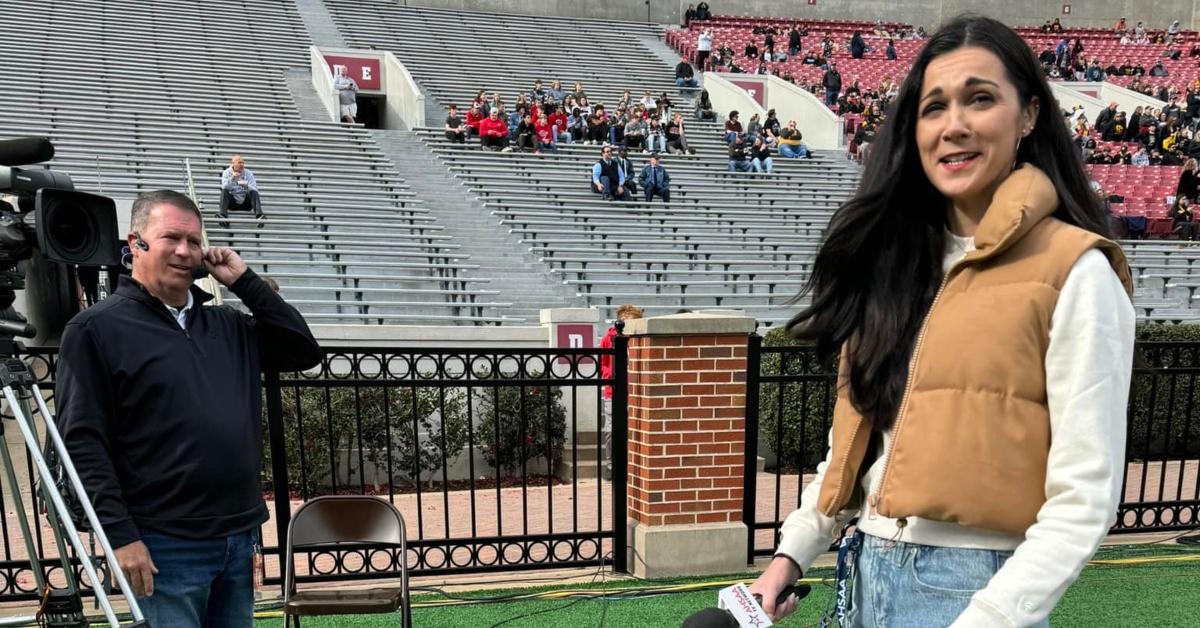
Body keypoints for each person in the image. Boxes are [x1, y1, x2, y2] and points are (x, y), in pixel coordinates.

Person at [750, 16, 1135, 627]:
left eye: (980, 99)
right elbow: (851, 452)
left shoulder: (1078, 272)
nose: (953, 125)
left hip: (973, 593)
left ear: (1029, 115)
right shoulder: (891, 268)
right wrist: (787, 559)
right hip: (864, 570)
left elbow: (1084, 498)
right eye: (934, 107)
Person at [56, 190, 321, 628]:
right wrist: (120, 537)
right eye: (170, 238)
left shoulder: (227, 323)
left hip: (238, 535)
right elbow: (82, 442)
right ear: (135, 243)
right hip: (163, 544)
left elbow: (303, 351)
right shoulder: (94, 330)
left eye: (194, 241)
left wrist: (243, 280)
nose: (184, 251)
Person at [598, 304, 643, 480]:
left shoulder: (639, 338)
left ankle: (630, 465)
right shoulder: (607, 339)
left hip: (635, 391)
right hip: (613, 392)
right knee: (611, 429)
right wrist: (611, 374)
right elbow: (601, 363)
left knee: (634, 429)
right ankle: (611, 466)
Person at [218, 155, 263, 224]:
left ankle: (259, 217)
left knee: (254, 192)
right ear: (233, 163)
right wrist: (232, 179)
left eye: (243, 163)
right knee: (224, 192)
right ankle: (223, 216)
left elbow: (255, 189)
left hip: (246, 203)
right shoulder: (226, 172)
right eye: (239, 163)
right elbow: (224, 187)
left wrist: (246, 186)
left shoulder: (248, 173)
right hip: (232, 203)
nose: (242, 165)